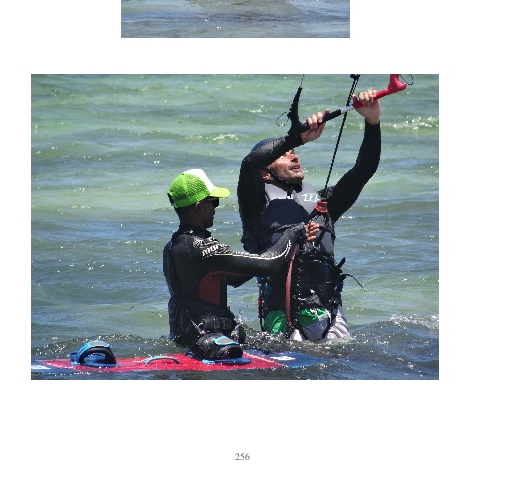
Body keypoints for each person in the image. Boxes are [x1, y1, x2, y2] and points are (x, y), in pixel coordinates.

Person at [237, 91, 381, 341]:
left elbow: (363, 170)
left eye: (294, 151)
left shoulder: (325, 203)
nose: (294, 155)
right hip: (281, 323)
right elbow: (249, 164)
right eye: (283, 153)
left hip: (330, 318)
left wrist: (372, 121)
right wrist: (297, 137)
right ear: (265, 173)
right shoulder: (256, 207)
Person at [163, 167, 318, 360]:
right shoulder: (202, 248)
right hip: (213, 341)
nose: (215, 208)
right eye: (213, 202)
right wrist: (293, 233)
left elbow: (234, 278)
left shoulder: (172, 247)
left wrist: (272, 250)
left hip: (189, 338)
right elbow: (268, 265)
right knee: (297, 351)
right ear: (198, 207)